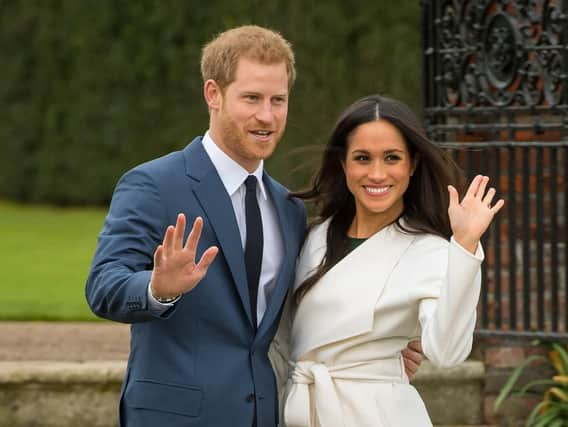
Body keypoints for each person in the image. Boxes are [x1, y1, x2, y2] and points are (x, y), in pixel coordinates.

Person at [85, 26, 422, 427]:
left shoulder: (288, 208)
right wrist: (157, 289)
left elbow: (294, 320)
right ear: (213, 94)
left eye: (278, 100)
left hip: (266, 414)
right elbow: (103, 285)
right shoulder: (154, 185)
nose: (267, 116)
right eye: (252, 98)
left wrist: (371, 348)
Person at [274, 94, 504, 427]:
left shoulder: (430, 251)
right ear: (344, 164)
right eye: (363, 158)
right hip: (296, 409)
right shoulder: (311, 237)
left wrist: (465, 246)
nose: (377, 174)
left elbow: (447, 353)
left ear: (412, 164)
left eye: (392, 158)